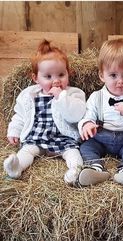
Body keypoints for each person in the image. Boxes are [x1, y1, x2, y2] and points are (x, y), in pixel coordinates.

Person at [3, 39, 86, 185]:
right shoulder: (30, 95)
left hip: (63, 138)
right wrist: (14, 130)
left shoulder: (73, 94)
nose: (55, 81)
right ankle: (17, 168)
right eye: (48, 77)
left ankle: (75, 171)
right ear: (36, 78)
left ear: (68, 73)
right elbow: (20, 115)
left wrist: (61, 97)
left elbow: (77, 114)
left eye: (61, 75)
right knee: (27, 151)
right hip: (37, 137)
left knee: (73, 153)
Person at [76, 38, 123, 187]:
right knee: (86, 147)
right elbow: (87, 114)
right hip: (101, 137)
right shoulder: (97, 97)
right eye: (113, 75)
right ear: (102, 75)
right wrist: (87, 124)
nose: (120, 81)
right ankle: (95, 168)